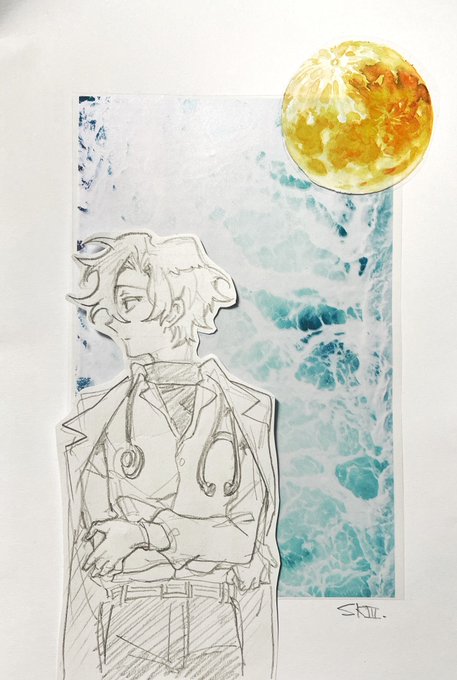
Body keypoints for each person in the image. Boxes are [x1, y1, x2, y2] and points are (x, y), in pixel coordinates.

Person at [58, 231, 279, 680]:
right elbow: (97, 546)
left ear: (176, 305)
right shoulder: (100, 417)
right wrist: (197, 536)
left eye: (129, 301)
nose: (109, 319)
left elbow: (244, 540)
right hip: (129, 624)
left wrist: (144, 533)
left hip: (217, 624)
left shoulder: (244, 410)